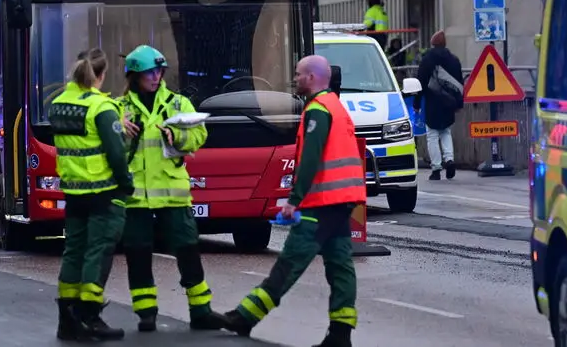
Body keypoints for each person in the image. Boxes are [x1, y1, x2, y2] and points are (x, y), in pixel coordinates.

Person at [216, 55, 365, 347]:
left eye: (298, 74)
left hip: (319, 202)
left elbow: (310, 159)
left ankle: (245, 317)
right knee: (340, 267)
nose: (294, 79)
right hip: (342, 201)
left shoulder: (318, 110)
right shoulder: (335, 106)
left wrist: (294, 200)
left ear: (311, 77)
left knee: (290, 262)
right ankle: (341, 334)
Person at [117, 45, 225, 333]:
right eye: (149, 72)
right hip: (136, 196)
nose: (156, 77)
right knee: (138, 253)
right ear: (134, 75)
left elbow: (199, 135)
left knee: (188, 249)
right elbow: (107, 145)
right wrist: (119, 131)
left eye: (159, 71)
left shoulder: (178, 103)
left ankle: (201, 311)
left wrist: (176, 136)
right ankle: (146, 313)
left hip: (172, 192)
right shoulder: (118, 109)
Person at [51, 48, 133, 342]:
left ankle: (67, 319)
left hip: (73, 191)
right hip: (102, 191)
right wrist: (126, 184)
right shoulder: (102, 108)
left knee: (74, 250)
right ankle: (90, 316)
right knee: (98, 252)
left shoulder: (59, 104)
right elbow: (116, 153)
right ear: (100, 75)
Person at [414, 31, 464, 181]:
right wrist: (459, 103)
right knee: (446, 131)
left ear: (433, 43)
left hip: (432, 101)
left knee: (432, 134)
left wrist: (417, 102)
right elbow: (460, 83)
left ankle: (436, 168)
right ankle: (449, 160)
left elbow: (421, 82)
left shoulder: (427, 60)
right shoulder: (454, 60)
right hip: (449, 101)